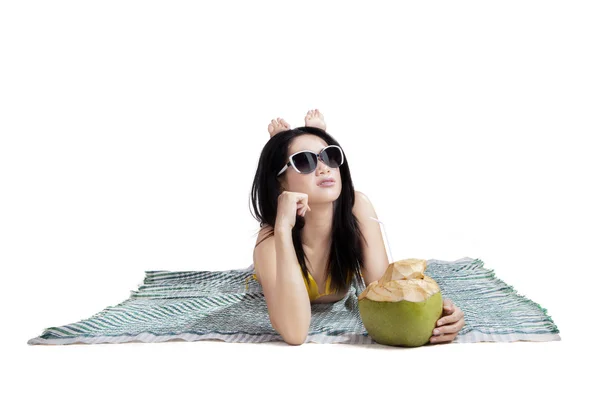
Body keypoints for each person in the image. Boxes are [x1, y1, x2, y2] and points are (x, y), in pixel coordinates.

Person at [248, 109, 465, 345]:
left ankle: (303, 143)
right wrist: (282, 229)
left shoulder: (357, 206)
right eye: (305, 161)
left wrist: (440, 316)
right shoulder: (270, 239)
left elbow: (383, 290)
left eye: (330, 156)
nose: (324, 168)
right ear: (280, 182)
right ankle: (284, 145)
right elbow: (295, 333)